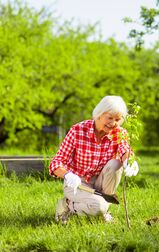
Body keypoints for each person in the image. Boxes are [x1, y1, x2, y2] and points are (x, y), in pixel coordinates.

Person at [49, 95, 139, 224]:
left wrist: (129, 160)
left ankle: (100, 209)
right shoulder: (78, 130)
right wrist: (68, 175)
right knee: (99, 207)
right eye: (110, 118)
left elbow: (125, 150)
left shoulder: (119, 133)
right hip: (77, 184)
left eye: (118, 119)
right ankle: (68, 204)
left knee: (116, 164)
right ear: (99, 114)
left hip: (100, 182)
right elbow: (56, 162)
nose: (113, 123)